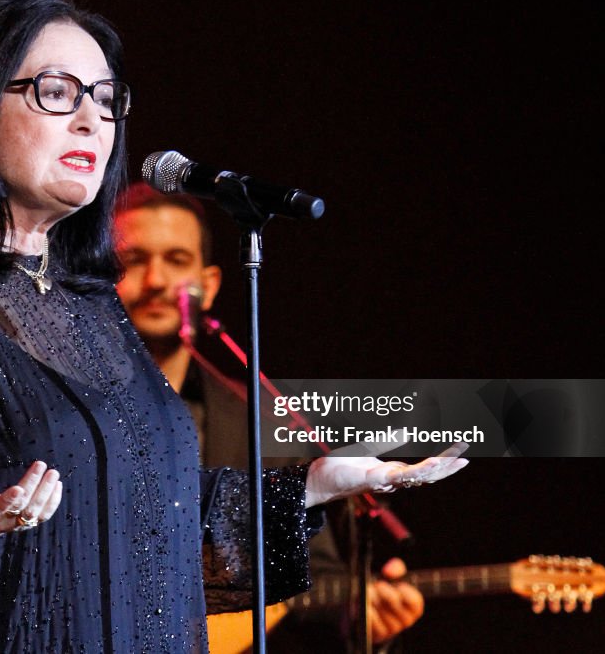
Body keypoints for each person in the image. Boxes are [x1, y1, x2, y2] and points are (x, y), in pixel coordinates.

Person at [0, 0, 467, 654]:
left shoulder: (91, 301)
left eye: (105, 100)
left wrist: (311, 483)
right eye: (57, 92)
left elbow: (158, 517)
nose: (91, 122)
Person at [113, 182, 425, 649]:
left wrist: (360, 620)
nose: (156, 279)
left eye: (176, 260)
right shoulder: (59, 404)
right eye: (134, 260)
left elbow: (313, 573)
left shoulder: (263, 420)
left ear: (211, 285)